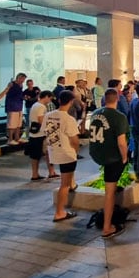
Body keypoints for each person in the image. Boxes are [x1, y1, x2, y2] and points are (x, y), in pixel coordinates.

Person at [88, 88, 129, 238]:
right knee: (110, 193)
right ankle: (107, 227)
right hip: (112, 157)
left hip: (97, 153)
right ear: (117, 98)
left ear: (105, 99)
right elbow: (122, 143)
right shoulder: (119, 117)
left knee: (110, 188)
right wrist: (124, 158)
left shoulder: (95, 113)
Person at [44, 90, 80, 222]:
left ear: (59, 100)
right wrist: (75, 151)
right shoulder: (68, 119)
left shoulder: (48, 115)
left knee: (66, 183)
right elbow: (74, 140)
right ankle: (60, 212)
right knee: (65, 185)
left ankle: (61, 210)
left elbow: (46, 133)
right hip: (67, 154)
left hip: (54, 151)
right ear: (71, 102)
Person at [26, 91, 58, 181]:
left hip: (34, 133)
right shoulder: (41, 107)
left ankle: (35, 174)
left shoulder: (35, 105)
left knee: (35, 156)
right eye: (50, 98)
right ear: (47, 97)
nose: (50, 101)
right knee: (48, 153)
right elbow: (41, 120)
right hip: (41, 134)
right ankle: (51, 172)